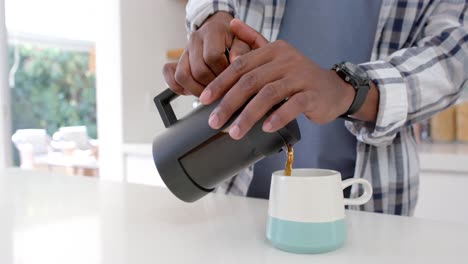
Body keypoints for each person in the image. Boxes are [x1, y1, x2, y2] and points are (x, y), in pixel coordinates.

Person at [163, 0, 468, 216]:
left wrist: (351, 87)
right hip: (233, 205)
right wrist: (213, 17)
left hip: (374, 209)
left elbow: (456, 56)